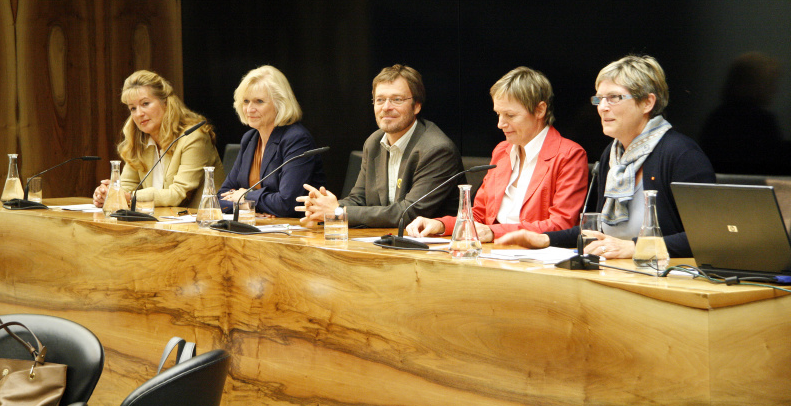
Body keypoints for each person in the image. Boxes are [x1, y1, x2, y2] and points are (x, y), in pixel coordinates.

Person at [497, 54, 715, 259]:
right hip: (615, 272)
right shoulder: (612, 155)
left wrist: (634, 247)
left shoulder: (681, 155)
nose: (601, 108)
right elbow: (596, 232)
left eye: (614, 98)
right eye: (599, 99)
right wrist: (543, 239)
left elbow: (707, 237)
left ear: (647, 103)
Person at [405, 66, 588, 242]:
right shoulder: (502, 151)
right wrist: (440, 224)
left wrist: (494, 232)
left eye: (510, 115)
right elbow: (480, 214)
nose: (500, 124)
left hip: (535, 258)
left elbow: (562, 225)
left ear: (540, 110)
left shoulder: (569, 155)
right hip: (493, 251)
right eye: (498, 114)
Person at [296, 64, 464, 228]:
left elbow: (407, 213)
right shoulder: (374, 142)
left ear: (417, 106)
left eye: (397, 100)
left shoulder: (437, 149)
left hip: (432, 247)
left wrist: (338, 212)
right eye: (380, 100)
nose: (386, 107)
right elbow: (358, 199)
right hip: (384, 241)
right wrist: (321, 210)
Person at [93, 70, 224, 208]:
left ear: (166, 103)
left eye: (145, 104)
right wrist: (109, 194)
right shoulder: (138, 140)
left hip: (201, 222)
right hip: (158, 221)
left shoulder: (193, 137)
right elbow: (127, 186)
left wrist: (127, 197)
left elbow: (177, 194)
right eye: (132, 108)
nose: (139, 114)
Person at [217, 65, 326, 217]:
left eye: (259, 101)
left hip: (298, 233)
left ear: (280, 103)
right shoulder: (250, 139)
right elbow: (221, 197)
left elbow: (287, 203)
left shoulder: (296, 140)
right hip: (259, 226)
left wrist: (245, 196)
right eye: (246, 101)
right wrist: (253, 207)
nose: (249, 109)